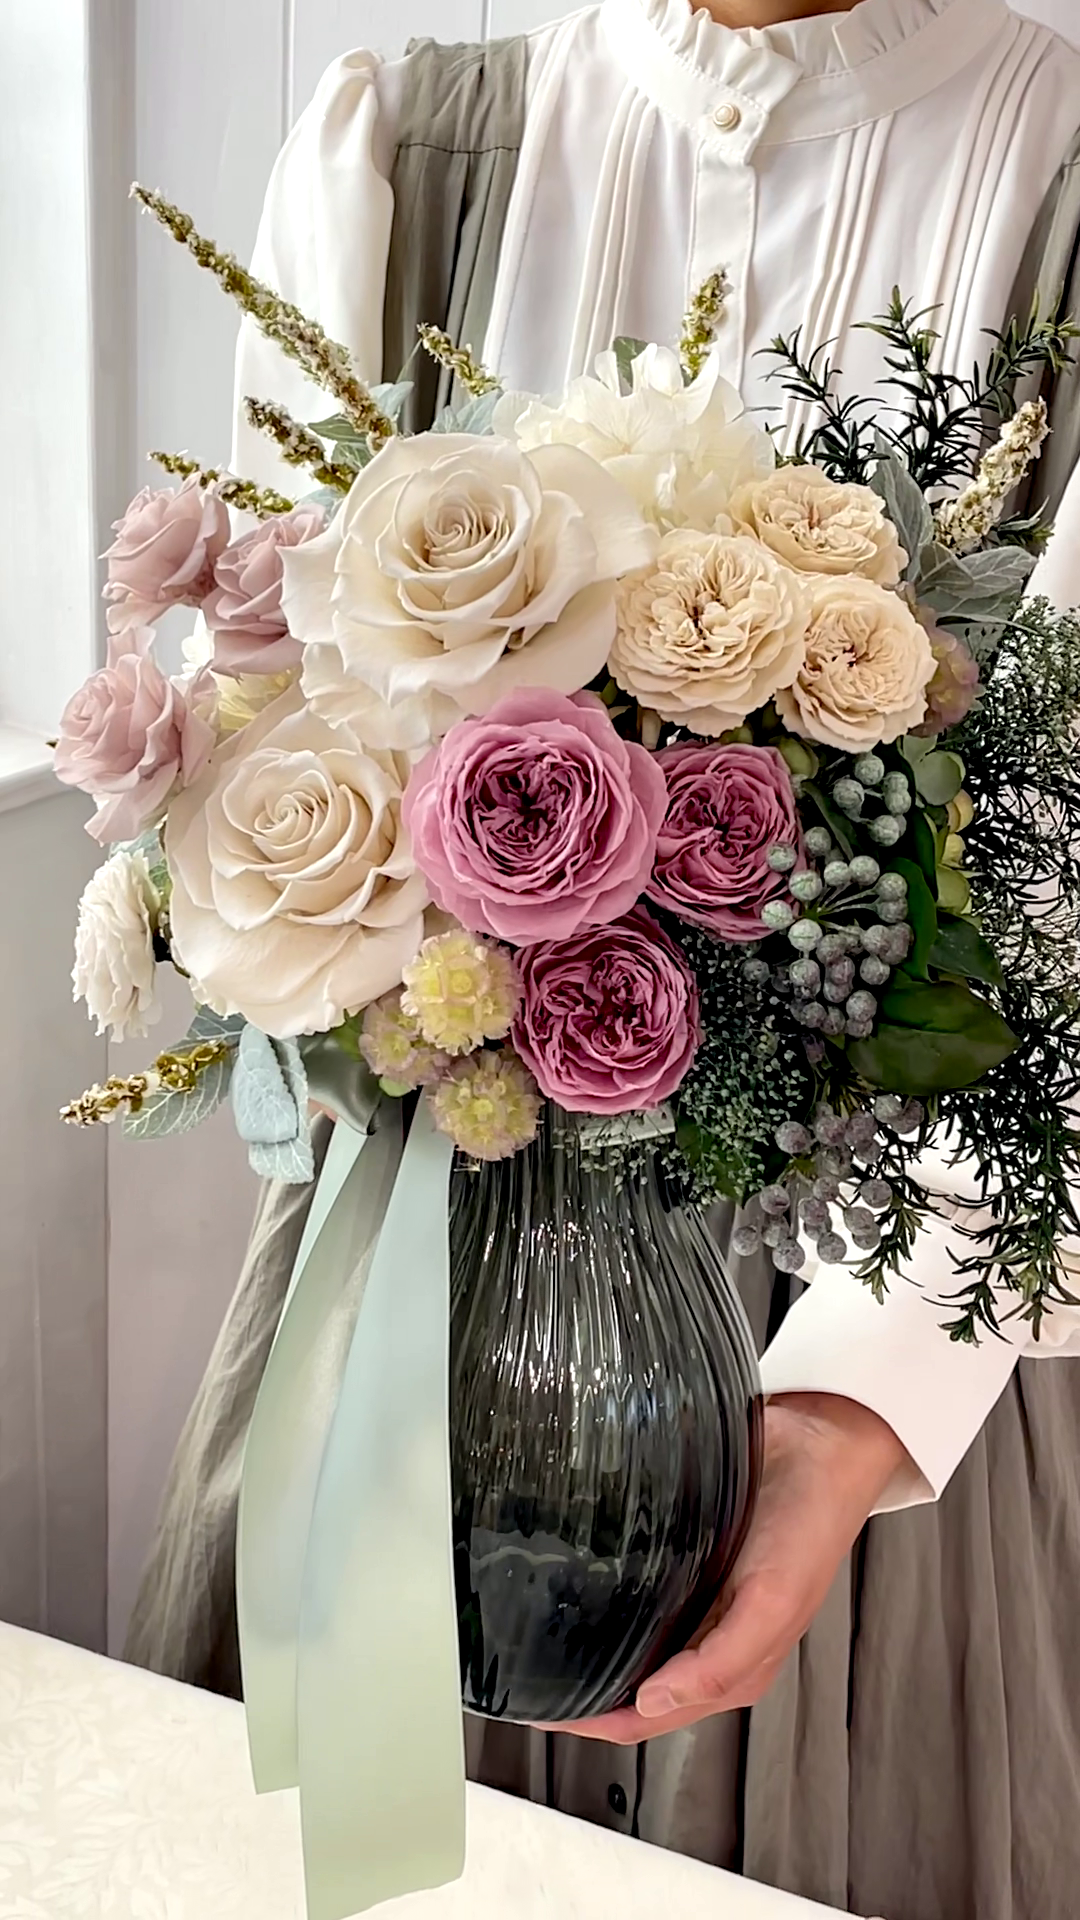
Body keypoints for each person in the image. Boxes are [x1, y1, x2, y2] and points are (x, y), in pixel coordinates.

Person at [126, 3, 1080, 1915]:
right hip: (402, 1314)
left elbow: (1059, 885)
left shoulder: (1049, 177)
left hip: (879, 1361)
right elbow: (252, 741)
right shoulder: (409, 160)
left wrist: (855, 1408)